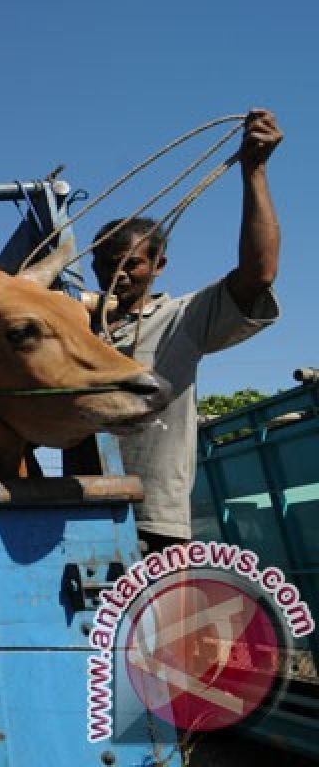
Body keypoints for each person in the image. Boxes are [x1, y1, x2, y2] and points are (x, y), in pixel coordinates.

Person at [90, 109, 282, 555]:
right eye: (103, 264)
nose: (114, 274)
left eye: (128, 263)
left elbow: (260, 272)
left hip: (153, 520)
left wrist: (254, 171)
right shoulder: (83, 334)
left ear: (159, 266)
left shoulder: (183, 317)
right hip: (83, 512)